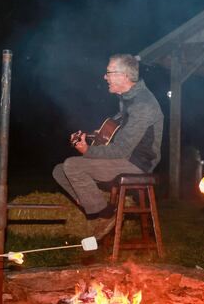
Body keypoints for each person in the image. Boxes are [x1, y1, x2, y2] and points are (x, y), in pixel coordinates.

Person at [52, 53, 164, 240]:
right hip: (125, 156)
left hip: (137, 163)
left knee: (72, 165)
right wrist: (94, 135)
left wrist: (88, 151)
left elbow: (121, 149)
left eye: (108, 73)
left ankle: (105, 215)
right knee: (59, 171)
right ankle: (95, 207)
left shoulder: (143, 104)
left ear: (124, 76)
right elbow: (119, 127)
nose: (105, 77)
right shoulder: (128, 97)